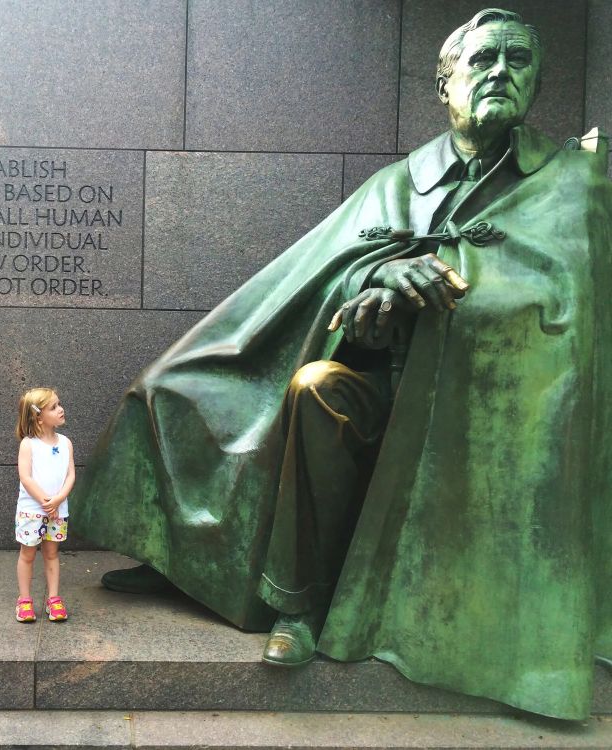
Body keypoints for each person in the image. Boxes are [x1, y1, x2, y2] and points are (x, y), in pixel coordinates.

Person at [73, 8, 612, 720]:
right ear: (443, 82)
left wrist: (459, 283)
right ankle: (272, 595)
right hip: (383, 386)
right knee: (271, 387)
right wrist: (372, 286)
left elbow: (566, 305)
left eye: (518, 61)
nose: (501, 74)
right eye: (483, 61)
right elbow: (323, 279)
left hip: (481, 414)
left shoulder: (575, 182)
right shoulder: (400, 183)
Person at [13, 387, 75, 623]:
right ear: (38, 416)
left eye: (59, 404)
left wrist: (58, 500)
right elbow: (26, 477)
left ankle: (54, 598)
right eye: (54, 407)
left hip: (58, 510)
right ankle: (25, 600)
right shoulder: (29, 445)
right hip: (32, 511)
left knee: (51, 553)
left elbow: (70, 475)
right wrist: (44, 501)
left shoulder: (66, 443)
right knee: (27, 554)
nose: (61, 410)